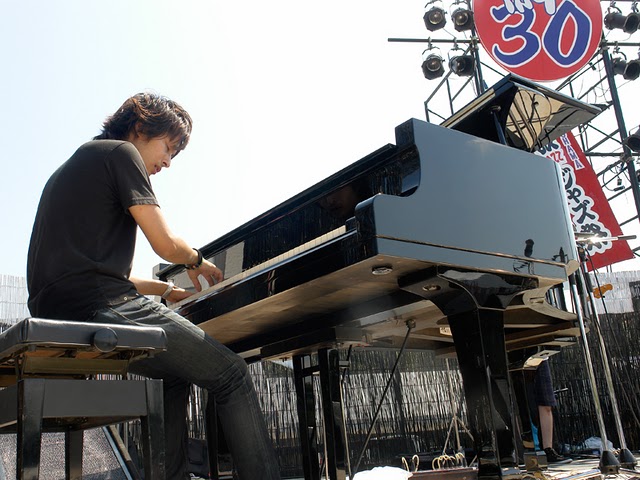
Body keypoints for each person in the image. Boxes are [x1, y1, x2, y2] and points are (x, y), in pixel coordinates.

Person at [27, 92, 281, 480]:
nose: (167, 162)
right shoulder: (121, 153)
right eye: (168, 147)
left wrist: (164, 291)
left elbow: (95, 272)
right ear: (141, 127)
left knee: (173, 376)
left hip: (62, 311)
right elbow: (164, 243)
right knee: (232, 375)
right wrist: (196, 260)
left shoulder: (72, 168)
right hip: (103, 306)